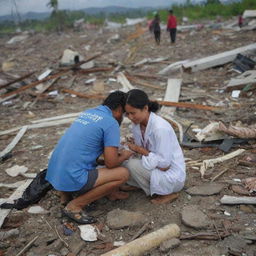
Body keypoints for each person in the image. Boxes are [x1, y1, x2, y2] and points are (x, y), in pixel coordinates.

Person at [46, 91, 133, 224]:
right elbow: (111, 163)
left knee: (98, 162)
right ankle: (75, 206)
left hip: (55, 174)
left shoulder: (88, 113)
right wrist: (126, 154)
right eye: (125, 114)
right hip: (72, 176)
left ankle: (66, 195)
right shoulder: (111, 123)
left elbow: (86, 149)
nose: (123, 117)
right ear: (120, 109)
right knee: (122, 173)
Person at [123, 89, 186, 204]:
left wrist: (140, 150)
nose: (130, 117)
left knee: (131, 165)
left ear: (145, 108)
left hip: (171, 175)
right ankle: (142, 184)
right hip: (154, 163)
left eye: (133, 113)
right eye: (127, 113)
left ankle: (169, 193)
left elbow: (165, 166)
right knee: (123, 161)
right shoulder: (137, 125)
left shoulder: (160, 128)